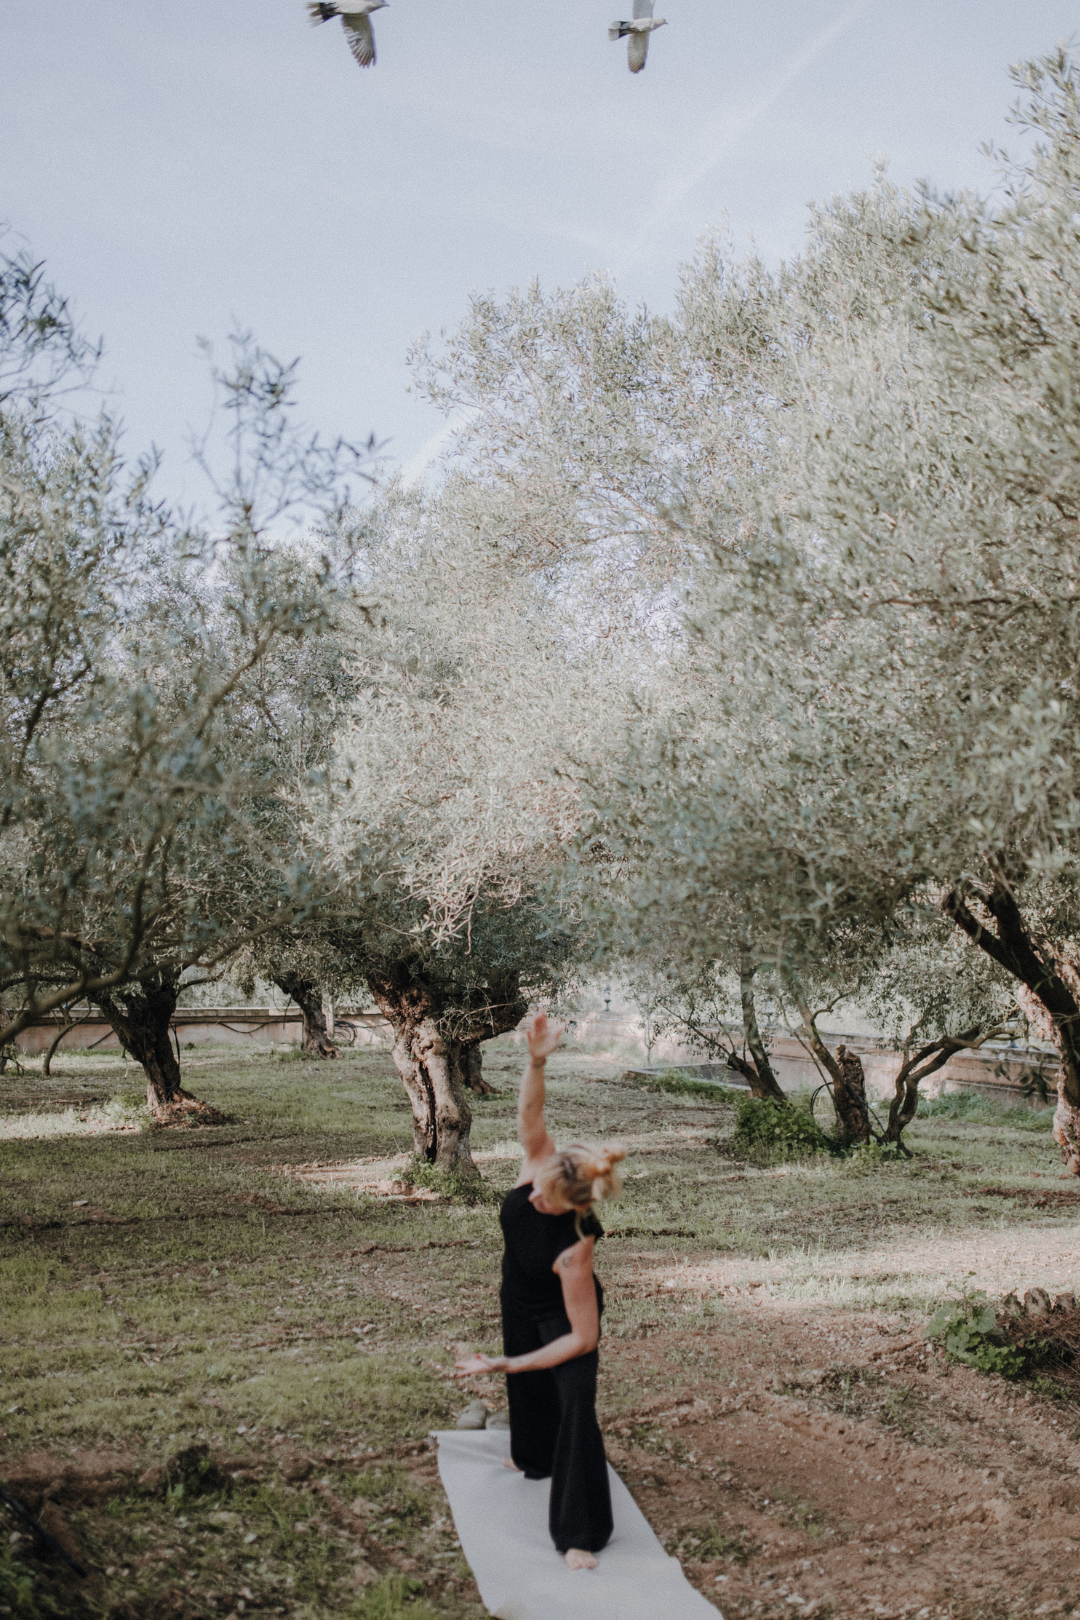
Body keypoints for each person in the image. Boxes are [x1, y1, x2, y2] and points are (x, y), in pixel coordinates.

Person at [455, 1011, 626, 1570]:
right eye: (535, 1188)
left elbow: (582, 1338)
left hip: (563, 1315)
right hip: (517, 1287)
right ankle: (532, 1457)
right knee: (528, 1393)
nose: (531, 1198)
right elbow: (530, 1114)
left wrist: (509, 1362)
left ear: (573, 1207)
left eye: (544, 1201)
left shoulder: (576, 1247)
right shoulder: (540, 1165)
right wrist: (535, 1061)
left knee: (574, 1401)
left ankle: (582, 1532)